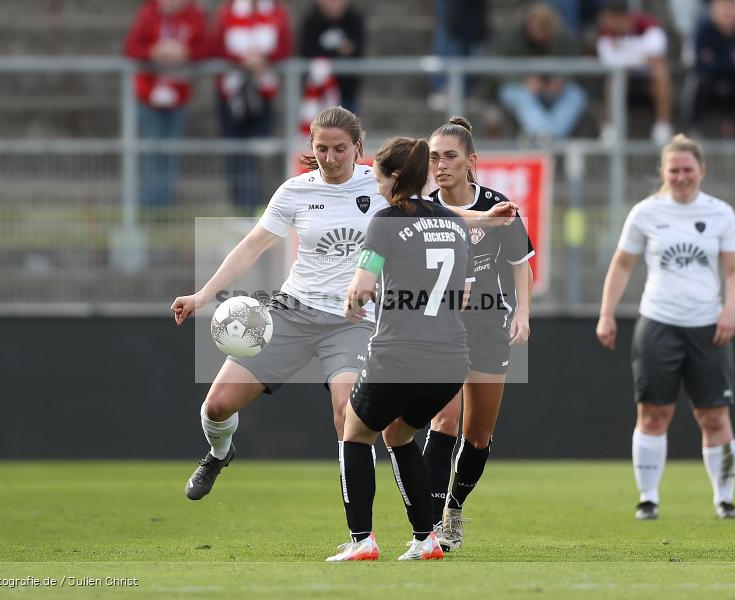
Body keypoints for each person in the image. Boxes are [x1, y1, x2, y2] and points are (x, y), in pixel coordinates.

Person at [171, 107, 516, 505]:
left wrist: (483, 219)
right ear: (311, 147)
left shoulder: (379, 183)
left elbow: (433, 212)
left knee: (347, 416)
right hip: (293, 310)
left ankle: (360, 532)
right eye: (322, 149)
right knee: (216, 405)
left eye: (340, 149)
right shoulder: (295, 191)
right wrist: (202, 295)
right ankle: (218, 453)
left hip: (354, 321)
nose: (330, 158)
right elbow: (253, 245)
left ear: (358, 148)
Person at [327, 137, 470, 562]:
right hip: (450, 360)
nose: (375, 185)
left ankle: (361, 540)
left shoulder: (385, 221)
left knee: (354, 433)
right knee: (400, 433)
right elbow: (461, 296)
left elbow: (362, 287)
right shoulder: (455, 223)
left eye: (376, 177)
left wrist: (353, 303)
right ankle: (426, 540)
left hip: (399, 354)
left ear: (393, 178)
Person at [596, 134, 735, 521]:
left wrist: (730, 310)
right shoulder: (646, 212)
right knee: (652, 414)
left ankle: (724, 500)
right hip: (659, 322)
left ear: (702, 171)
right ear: (662, 172)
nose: (681, 177)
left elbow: (734, 269)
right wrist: (607, 313)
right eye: (674, 170)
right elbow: (623, 264)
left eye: (688, 170)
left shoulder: (720, 213)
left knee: (714, 415)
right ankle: (648, 498)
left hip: (708, 325)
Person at [421, 117, 534, 552]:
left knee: (478, 435)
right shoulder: (424, 209)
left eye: (449, 156)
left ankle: (454, 508)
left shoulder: (499, 205)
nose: (440, 165)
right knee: (443, 419)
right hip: (442, 328)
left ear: (471, 162)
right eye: (433, 157)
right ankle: (427, 525)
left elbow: (520, 264)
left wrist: (523, 312)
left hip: (489, 326)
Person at [204, 0, 294, 212]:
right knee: (235, 151)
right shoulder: (226, 12)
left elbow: (285, 47)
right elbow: (214, 47)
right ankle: (239, 207)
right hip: (232, 94)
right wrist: (241, 60)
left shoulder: (276, 12)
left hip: (264, 93)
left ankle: (260, 207)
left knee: (261, 151)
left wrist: (264, 59)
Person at [123, 0, 206, 209]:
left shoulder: (194, 15)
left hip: (178, 94)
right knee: (152, 148)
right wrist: (153, 52)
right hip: (149, 94)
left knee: (170, 149)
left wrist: (186, 53)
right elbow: (132, 48)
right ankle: (150, 204)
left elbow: (205, 48)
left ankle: (166, 203)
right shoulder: (149, 13)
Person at [495, 2, 587, 140]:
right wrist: (522, 80)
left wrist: (561, 79)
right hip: (520, 88)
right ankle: (543, 134)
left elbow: (574, 64)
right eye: (539, 30)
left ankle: (548, 136)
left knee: (576, 96)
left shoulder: (561, 35)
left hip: (553, 90)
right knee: (518, 95)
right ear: (529, 25)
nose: (543, 36)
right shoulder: (512, 35)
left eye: (547, 32)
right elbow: (494, 67)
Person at [596, 0, 673, 146]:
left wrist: (624, 50)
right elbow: (608, 59)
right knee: (615, 77)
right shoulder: (606, 30)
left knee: (661, 71)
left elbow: (658, 49)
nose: (610, 23)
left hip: (648, 78)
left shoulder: (647, 23)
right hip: (624, 78)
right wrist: (640, 54)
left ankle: (662, 126)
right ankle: (611, 126)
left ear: (625, 17)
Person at [687, 0, 735, 139]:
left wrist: (715, 59)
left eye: (732, 5)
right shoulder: (703, 29)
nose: (727, 11)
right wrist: (733, 60)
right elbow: (699, 63)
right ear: (711, 10)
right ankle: (695, 127)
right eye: (723, 6)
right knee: (701, 81)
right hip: (710, 81)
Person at [299, 0, 366, 114]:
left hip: (346, 92)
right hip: (317, 94)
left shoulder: (354, 20)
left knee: (348, 128)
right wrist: (339, 51)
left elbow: (357, 50)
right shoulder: (311, 21)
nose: (334, 4)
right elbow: (307, 51)